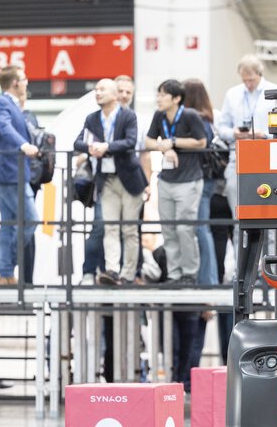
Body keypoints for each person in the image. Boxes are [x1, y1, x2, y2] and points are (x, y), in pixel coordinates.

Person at [73, 78, 143, 285]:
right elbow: (77, 142)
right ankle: (112, 270)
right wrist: (91, 148)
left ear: (114, 95)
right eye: (96, 89)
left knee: (129, 229)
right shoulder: (92, 119)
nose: (98, 93)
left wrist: (107, 147)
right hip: (106, 179)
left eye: (102, 89)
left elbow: (130, 141)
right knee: (109, 226)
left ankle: (128, 273)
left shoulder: (128, 116)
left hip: (129, 178)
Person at [145, 79, 208, 284]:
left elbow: (201, 142)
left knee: (185, 228)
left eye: (163, 95)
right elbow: (148, 141)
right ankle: (174, 274)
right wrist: (165, 148)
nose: (159, 99)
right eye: (158, 94)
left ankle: (189, 274)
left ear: (177, 98)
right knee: (169, 229)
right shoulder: (159, 116)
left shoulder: (190, 115)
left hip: (189, 180)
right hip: (166, 180)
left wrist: (173, 142)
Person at [0, 65, 40, 285]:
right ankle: (7, 260)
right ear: (15, 83)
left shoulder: (14, 105)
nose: (27, 82)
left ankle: (6, 273)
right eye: (24, 79)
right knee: (31, 219)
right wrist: (24, 145)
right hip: (9, 173)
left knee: (9, 223)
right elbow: (3, 127)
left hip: (13, 172)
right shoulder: (2, 103)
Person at [217, 55, 277, 222]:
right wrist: (234, 133)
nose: (248, 83)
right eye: (244, 80)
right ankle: (241, 247)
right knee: (239, 216)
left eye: (251, 79)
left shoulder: (276, 92)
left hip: (267, 157)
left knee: (270, 216)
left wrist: (264, 135)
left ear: (259, 74)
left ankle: (272, 248)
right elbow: (221, 128)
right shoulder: (232, 94)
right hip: (238, 157)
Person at [182, 78, 220, 286]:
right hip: (207, 179)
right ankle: (207, 278)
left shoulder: (195, 119)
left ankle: (207, 279)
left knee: (200, 229)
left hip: (199, 179)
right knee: (200, 228)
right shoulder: (208, 118)